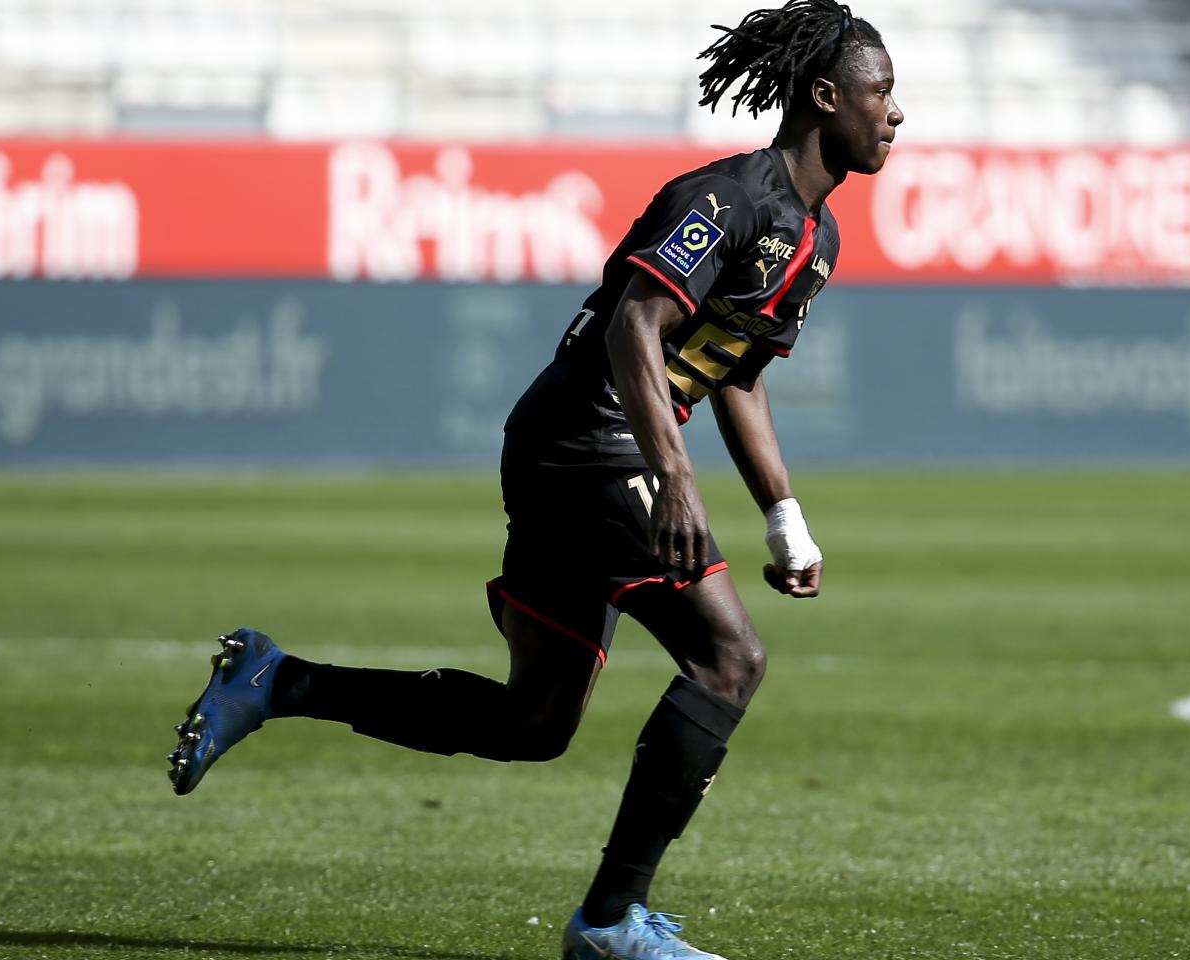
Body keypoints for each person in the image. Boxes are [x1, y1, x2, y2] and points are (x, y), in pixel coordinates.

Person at [164, 3, 902, 958]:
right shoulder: (723, 200)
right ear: (826, 95)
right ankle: (608, 924)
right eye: (883, 93)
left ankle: (276, 680)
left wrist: (784, 519)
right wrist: (674, 480)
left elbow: (739, 373)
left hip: (596, 448)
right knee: (731, 661)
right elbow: (635, 323)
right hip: (587, 441)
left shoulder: (818, 240)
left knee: (534, 721)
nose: (895, 115)